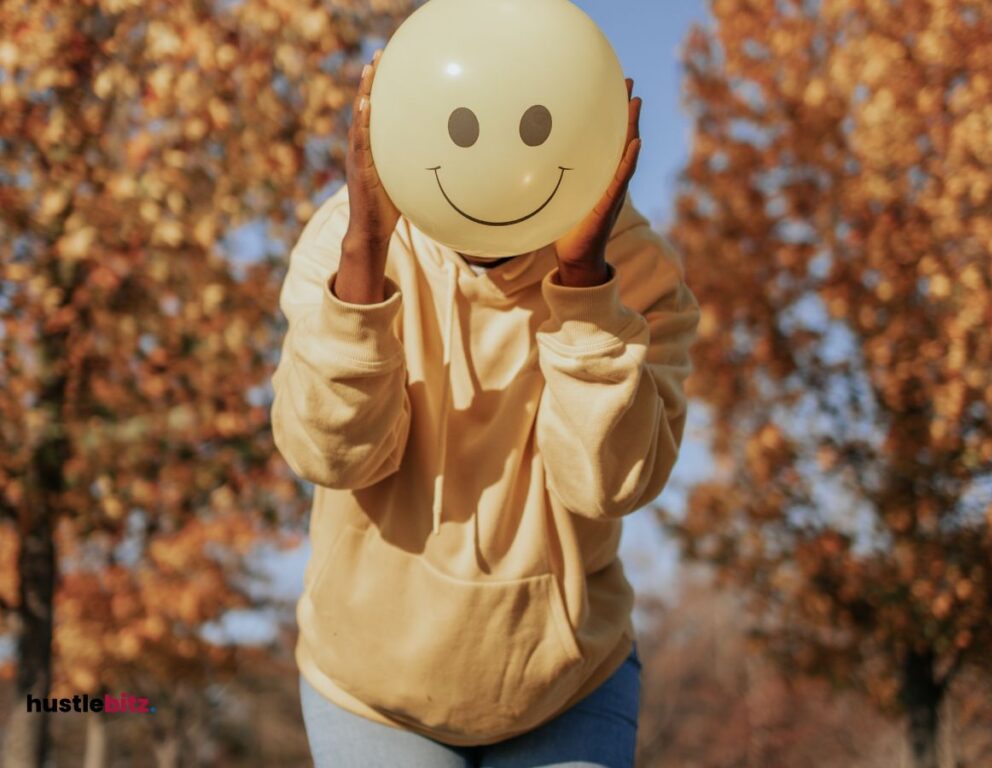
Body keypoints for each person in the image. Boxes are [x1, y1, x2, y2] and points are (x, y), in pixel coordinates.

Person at [270, 50, 701, 767]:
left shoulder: (639, 270)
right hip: (372, 692)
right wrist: (365, 258)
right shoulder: (347, 240)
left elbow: (610, 483)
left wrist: (585, 283)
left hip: (567, 687)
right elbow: (329, 453)